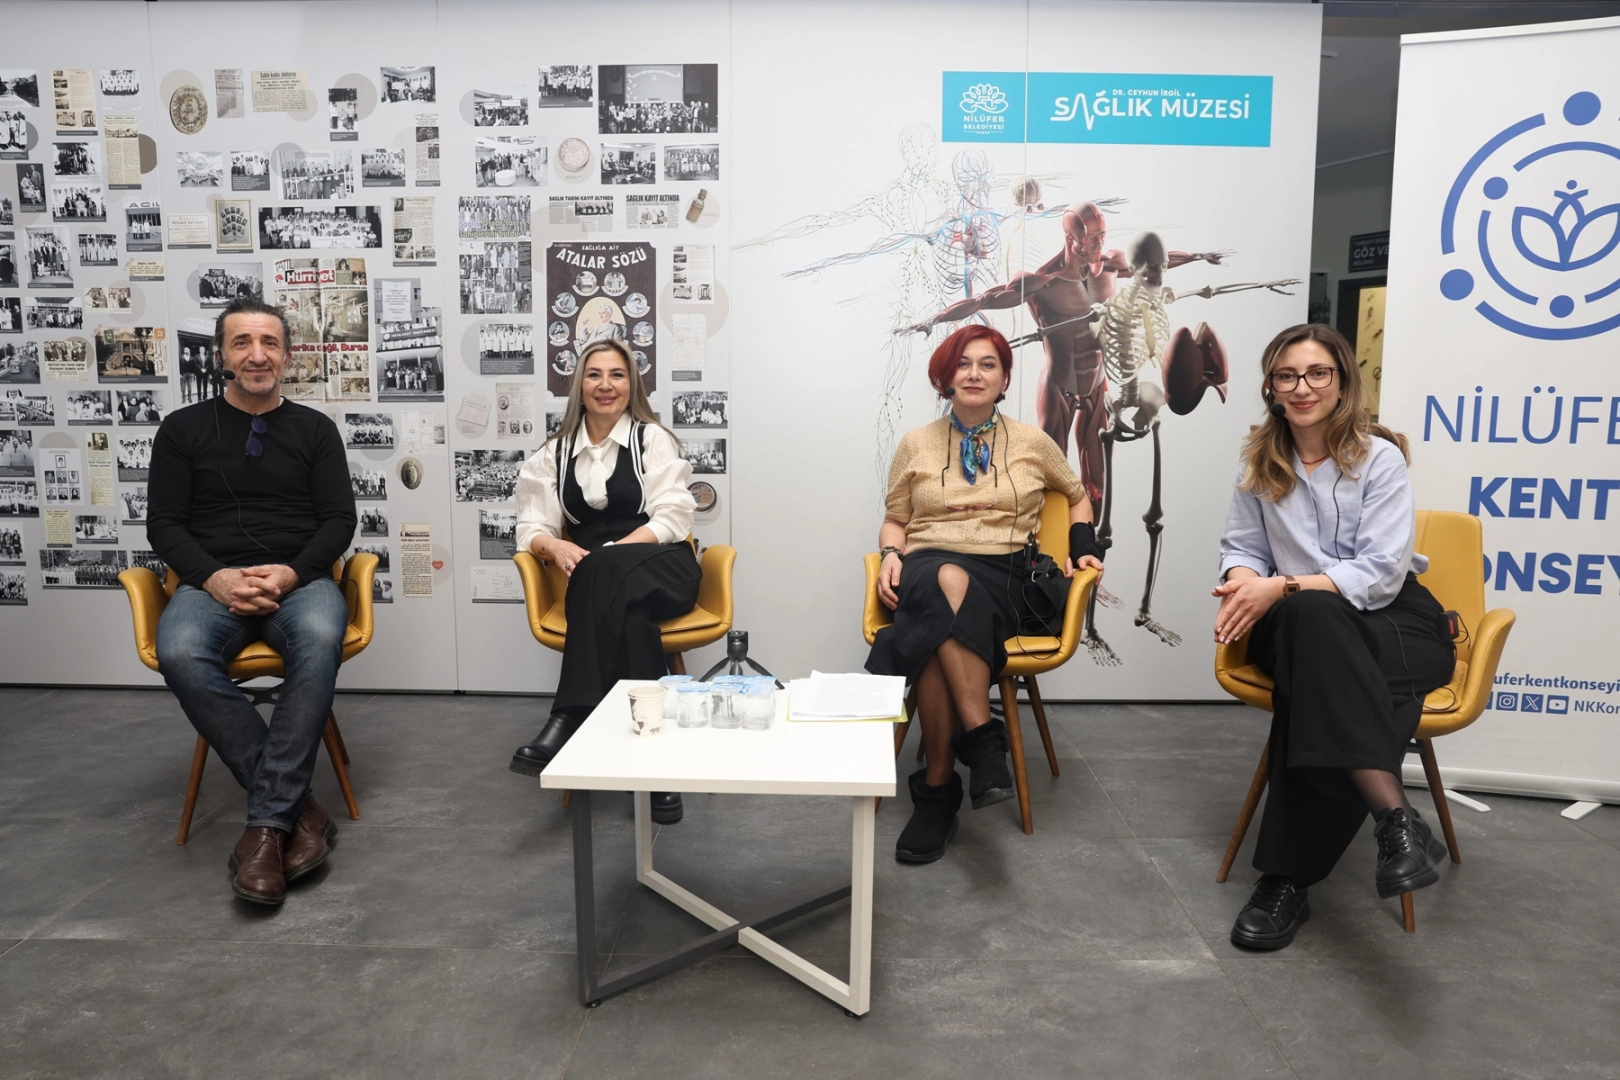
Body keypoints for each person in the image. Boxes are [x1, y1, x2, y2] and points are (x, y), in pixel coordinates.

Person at [1214, 323, 1455, 951]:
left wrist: (1284, 585)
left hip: (1393, 617)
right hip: (1298, 621)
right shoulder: (1258, 461)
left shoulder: (1380, 458)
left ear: (1343, 382)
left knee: (1317, 683)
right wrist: (1244, 583)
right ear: (1271, 387)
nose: (1303, 387)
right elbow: (1242, 548)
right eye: (1287, 375)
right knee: (1315, 626)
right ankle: (1395, 818)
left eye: (1318, 373)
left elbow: (1381, 572)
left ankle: (1286, 880)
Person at [146, 297, 357, 907]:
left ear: (287, 356)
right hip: (211, 584)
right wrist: (214, 578)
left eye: (269, 343)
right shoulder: (181, 429)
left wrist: (291, 574)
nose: (257, 355)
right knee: (180, 651)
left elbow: (339, 520)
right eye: (242, 343)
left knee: (319, 637)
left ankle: (265, 826)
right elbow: (164, 524)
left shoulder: (315, 430)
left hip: (300, 582)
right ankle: (299, 810)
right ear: (222, 355)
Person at [867, 325, 1105, 864]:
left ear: (1004, 378)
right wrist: (890, 554)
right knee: (944, 579)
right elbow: (895, 519)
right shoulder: (915, 444)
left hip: (1004, 575)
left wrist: (1084, 547)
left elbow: (1077, 495)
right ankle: (981, 738)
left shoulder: (1032, 441)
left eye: (988, 364)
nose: (975, 373)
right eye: (963, 363)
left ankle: (938, 792)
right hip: (926, 565)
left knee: (935, 632)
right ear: (945, 376)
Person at [509, 338, 699, 824]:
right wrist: (555, 548)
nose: (605, 385)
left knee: (601, 568)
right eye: (594, 374)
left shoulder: (652, 439)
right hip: (605, 585)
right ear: (580, 385)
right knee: (631, 621)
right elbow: (530, 527)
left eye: (617, 374)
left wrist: (611, 554)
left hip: (662, 565)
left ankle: (568, 715)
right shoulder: (554, 453)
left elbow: (674, 516)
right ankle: (655, 772)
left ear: (631, 383)